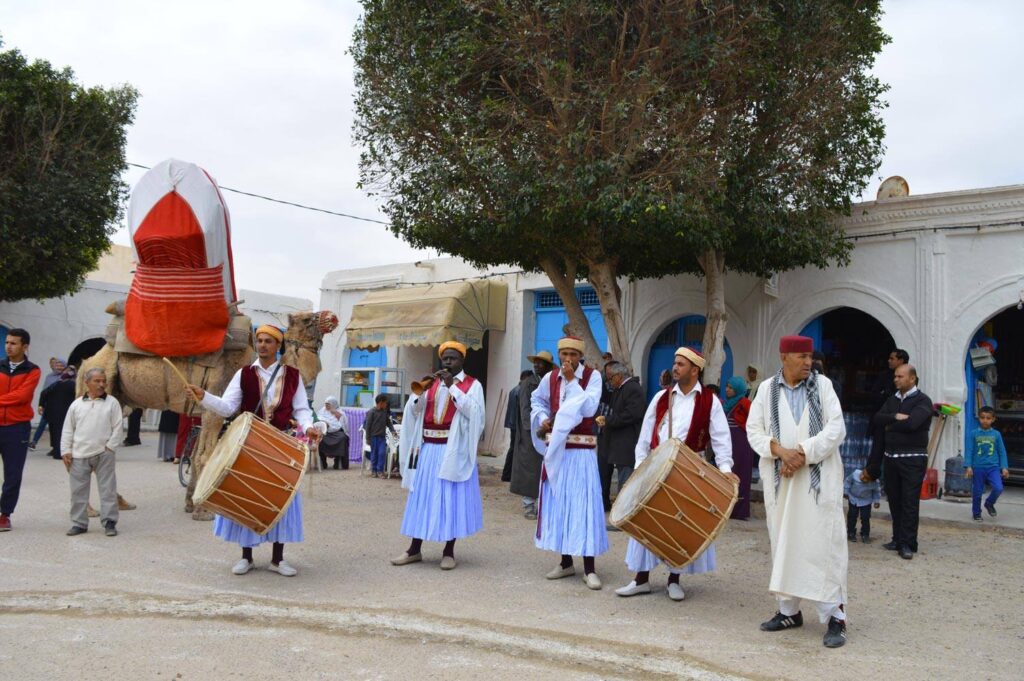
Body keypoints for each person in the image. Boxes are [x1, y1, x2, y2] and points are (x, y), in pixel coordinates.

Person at [186, 324, 321, 577]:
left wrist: (310, 426)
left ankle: (277, 559)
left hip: (281, 445)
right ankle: (246, 557)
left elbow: (302, 409)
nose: (262, 345)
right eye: (259, 340)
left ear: (277, 346)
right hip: (249, 445)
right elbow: (227, 407)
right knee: (246, 496)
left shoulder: (293, 376)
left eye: (268, 341)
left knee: (281, 499)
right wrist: (204, 396)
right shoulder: (243, 374)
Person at [745, 335, 849, 649]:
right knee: (784, 543)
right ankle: (789, 611)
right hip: (782, 480)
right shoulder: (766, 389)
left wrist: (801, 453)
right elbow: (754, 431)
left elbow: (836, 428)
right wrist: (779, 451)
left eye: (809, 357)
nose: (808, 362)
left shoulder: (824, 386)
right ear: (784, 357)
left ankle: (835, 617)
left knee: (823, 547)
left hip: (818, 481)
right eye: (801, 357)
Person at [615, 348, 735, 601]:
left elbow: (721, 438)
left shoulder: (709, 401)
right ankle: (641, 579)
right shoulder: (660, 397)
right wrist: (639, 468)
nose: (675, 368)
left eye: (681, 364)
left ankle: (674, 579)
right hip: (656, 467)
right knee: (646, 521)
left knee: (679, 524)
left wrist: (725, 469)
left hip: (690, 471)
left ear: (695, 369)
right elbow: (645, 435)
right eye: (675, 363)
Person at [391, 341, 485, 570]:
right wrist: (420, 393)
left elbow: (475, 414)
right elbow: (414, 412)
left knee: (449, 500)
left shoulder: (472, 385)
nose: (448, 362)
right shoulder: (432, 383)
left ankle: (449, 551)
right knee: (422, 498)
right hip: (428, 449)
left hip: (453, 450)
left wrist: (452, 387)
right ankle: (414, 549)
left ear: (462, 361)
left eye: (453, 358)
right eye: (445, 358)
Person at [530, 336, 607, 590]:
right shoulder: (550, 378)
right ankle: (565, 562)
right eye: (564, 354)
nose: (568, 359)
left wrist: (573, 380)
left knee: (583, 506)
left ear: (580, 357)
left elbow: (588, 408)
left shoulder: (592, 377)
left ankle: (589, 567)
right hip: (558, 451)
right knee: (559, 504)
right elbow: (537, 400)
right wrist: (542, 417)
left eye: (573, 354)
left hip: (582, 452)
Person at [869, 364, 932, 560]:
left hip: (913, 460)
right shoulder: (892, 400)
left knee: (909, 502)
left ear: (912, 379)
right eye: (895, 376)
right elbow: (877, 419)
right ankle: (897, 538)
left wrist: (889, 427)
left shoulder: (923, 401)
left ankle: (908, 543)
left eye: (900, 376)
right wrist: (894, 417)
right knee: (895, 500)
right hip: (891, 459)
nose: (896, 379)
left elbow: (914, 424)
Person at [61, 368, 123, 537]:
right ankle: (79, 523)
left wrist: (110, 447)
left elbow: (118, 427)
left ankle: (109, 522)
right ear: (86, 383)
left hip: (104, 453)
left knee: (108, 489)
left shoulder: (112, 403)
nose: (102, 384)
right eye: (97, 381)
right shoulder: (76, 404)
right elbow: (68, 429)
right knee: (78, 491)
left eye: (104, 381)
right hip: (79, 454)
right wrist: (66, 450)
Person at [0, 329, 42, 532]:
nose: (8, 346)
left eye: (13, 343)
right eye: (7, 342)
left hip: (17, 429)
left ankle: (4, 514)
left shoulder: (32, 370)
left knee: (13, 474)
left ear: (25, 346)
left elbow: (23, 396)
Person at [510, 351, 554, 520]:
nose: (536, 365)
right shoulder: (529, 383)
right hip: (532, 433)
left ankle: (545, 505)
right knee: (530, 469)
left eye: (540, 363)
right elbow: (525, 410)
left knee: (548, 468)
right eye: (535, 363)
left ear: (549, 366)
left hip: (550, 430)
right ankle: (529, 505)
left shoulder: (552, 382)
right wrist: (534, 431)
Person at [596, 361, 644, 514]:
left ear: (619, 376)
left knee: (625, 481)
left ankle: (623, 514)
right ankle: (620, 513)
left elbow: (632, 414)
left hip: (628, 443)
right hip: (617, 443)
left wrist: (608, 420)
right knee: (621, 479)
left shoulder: (633, 389)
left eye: (610, 378)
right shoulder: (620, 389)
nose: (609, 382)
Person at [965, 406, 1009, 522]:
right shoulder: (973, 433)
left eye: (988, 418)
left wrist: (1004, 467)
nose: (985, 420)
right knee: (977, 491)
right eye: (982, 417)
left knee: (998, 488)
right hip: (978, 467)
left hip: (993, 467)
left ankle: (989, 503)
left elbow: (1002, 452)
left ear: (993, 419)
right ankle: (976, 513)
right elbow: (969, 450)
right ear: (979, 418)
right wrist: (968, 466)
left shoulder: (996, 434)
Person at [722, 375, 753, 520]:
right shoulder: (727, 404)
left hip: (742, 444)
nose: (727, 390)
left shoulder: (745, 403)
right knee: (728, 473)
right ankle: (727, 508)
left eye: (730, 388)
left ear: (738, 390)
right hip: (729, 442)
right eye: (727, 387)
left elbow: (754, 422)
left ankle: (740, 511)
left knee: (741, 474)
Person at [38, 366, 78, 460]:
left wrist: (41, 405)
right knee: (66, 433)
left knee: (56, 433)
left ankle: (56, 452)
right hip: (66, 412)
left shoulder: (56, 384)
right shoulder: (75, 385)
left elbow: (44, 393)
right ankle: (63, 452)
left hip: (53, 412)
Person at [29, 357, 66, 450]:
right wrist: (40, 405)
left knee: (56, 428)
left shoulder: (67, 377)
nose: (59, 367)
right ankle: (34, 442)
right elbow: (43, 392)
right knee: (42, 424)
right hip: (48, 406)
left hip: (60, 406)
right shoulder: (49, 377)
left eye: (61, 365)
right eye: (57, 365)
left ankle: (56, 447)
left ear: (65, 366)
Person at [501, 372, 531, 482]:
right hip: (517, 424)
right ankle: (507, 475)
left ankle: (508, 474)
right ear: (524, 378)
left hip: (512, 423)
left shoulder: (514, 389)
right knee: (515, 448)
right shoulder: (521, 391)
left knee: (513, 448)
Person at [844, 468, 881, 542]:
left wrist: (876, 501)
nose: (862, 477)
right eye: (863, 474)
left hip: (866, 501)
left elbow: (876, 492)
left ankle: (865, 534)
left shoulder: (875, 483)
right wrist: (845, 492)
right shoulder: (855, 474)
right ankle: (851, 532)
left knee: (865, 517)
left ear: (872, 480)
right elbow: (847, 482)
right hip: (853, 498)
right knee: (852, 516)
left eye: (866, 478)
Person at [364, 394, 397, 477]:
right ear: (381, 402)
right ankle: (374, 471)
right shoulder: (372, 412)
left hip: (382, 438)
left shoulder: (384, 412)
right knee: (374, 454)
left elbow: (388, 423)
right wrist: (368, 438)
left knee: (382, 453)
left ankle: (380, 471)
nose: (386, 405)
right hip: (373, 438)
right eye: (385, 403)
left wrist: (392, 430)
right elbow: (368, 426)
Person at [317, 396, 351, 470]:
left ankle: (338, 462)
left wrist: (335, 413)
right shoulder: (322, 411)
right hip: (325, 433)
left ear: (333, 404)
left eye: (328, 404)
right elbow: (318, 420)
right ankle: (323, 462)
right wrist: (324, 423)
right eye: (326, 404)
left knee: (343, 438)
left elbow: (344, 425)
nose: (326, 406)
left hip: (337, 432)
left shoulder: (340, 412)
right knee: (320, 439)